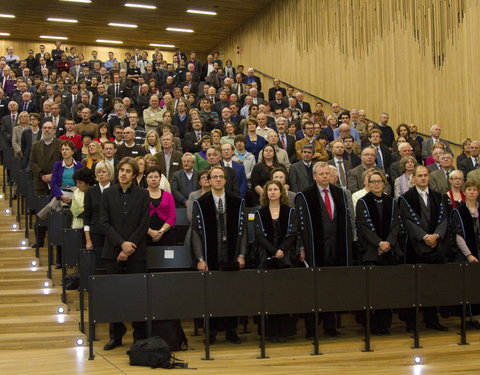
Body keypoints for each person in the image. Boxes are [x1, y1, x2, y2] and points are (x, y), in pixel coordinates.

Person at [295, 161, 353, 337]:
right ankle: (311, 329)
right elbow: (299, 225)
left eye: (327, 173)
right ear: (314, 176)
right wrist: (302, 247)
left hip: (336, 248)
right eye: (321, 174)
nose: (325, 176)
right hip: (315, 249)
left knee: (332, 288)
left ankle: (330, 326)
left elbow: (347, 220)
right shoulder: (305, 196)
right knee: (313, 290)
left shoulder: (340, 194)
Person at [191, 166, 247, 344]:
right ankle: (212, 332)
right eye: (213, 177)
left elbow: (243, 230)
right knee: (211, 294)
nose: (217, 179)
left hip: (231, 253)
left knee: (233, 293)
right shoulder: (201, 203)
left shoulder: (237, 201)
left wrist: (241, 254)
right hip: (210, 254)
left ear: (225, 179)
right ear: (208, 179)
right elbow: (196, 233)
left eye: (220, 176)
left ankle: (232, 331)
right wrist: (200, 258)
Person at [100, 157, 150, 350]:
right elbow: (104, 223)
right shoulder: (108, 194)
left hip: (136, 253)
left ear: (134, 175)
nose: (123, 174)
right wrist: (122, 244)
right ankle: (116, 335)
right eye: (121, 170)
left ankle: (139, 335)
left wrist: (129, 247)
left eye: (128, 171)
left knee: (137, 294)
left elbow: (143, 224)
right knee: (115, 295)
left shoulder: (142, 195)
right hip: (113, 251)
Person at [398, 165, 449, 332]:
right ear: (413, 178)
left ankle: (432, 319)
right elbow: (408, 220)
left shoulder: (438, 196)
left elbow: (444, 219)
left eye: (425, 175)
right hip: (415, 247)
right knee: (414, 286)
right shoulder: (406, 198)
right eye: (419, 175)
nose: (423, 178)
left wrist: (436, 236)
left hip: (436, 247)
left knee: (433, 286)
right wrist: (425, 237)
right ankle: (412, 322)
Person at [356, 170, 401, 335]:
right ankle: (373, 325)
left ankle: (385, 325)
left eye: (379, 181)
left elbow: (396, 224)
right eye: (373, 181)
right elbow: (363, 227)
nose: (376, 184)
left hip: (390, 251)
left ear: (384, 183)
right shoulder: (363, 202)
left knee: (387, 291)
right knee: (373, 292)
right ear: (367, 183)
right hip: (371, 252)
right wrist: (379, 243)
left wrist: (388, 243)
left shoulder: (392, 202)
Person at [254, 180, 297, 342]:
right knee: (269, 296)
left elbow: (293, 234)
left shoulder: (290, 212)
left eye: (275, 189)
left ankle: (285, 331)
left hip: (286, 258)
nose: (272, 192)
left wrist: (282, 251)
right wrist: (273, 251)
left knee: (285, 295)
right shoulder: (260, 213)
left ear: (281, 193)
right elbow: (259, 235)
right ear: (266, 193)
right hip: (266, 258)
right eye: (270, 190)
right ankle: (270, 332)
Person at [84, 161, 115, 265]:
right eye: (99, 172)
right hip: (96, 232)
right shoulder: (90, 191)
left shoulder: (116, 189)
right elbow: (87, 215)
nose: (101, 174)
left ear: (110, 173)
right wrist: (88, 239)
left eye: (104, 172)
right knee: (97, 263)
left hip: (113, 232)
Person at [145, 165, 176, 246]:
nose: (153, 179)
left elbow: (172, 217)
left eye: (156, 176)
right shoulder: (140, 195)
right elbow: (137, 218)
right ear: (146, 179)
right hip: (145, 234)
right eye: (150, 177)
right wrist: (150, 232)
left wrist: (161, 231)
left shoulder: (168, 195)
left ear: (160, 179)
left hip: (165, 234)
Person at [451, 180, 480, 263]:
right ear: (464, 192)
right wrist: (469, 255)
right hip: (465, 255)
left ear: (478, 192)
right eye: (469, 189)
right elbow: (458, 236)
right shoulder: (458, 211)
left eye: (474, 190)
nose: (472, 192)